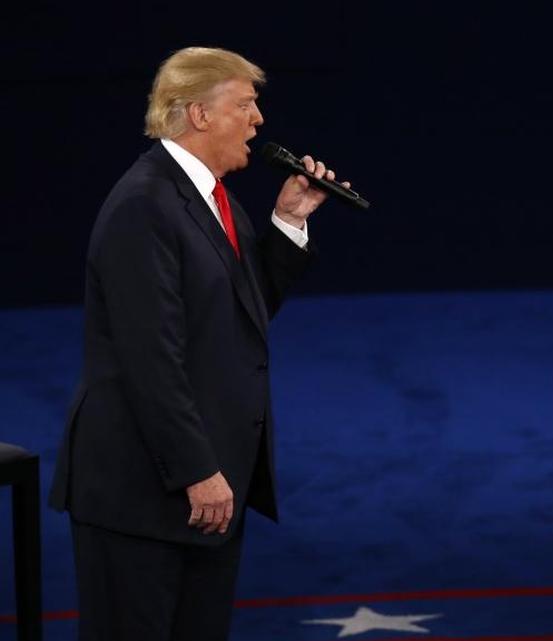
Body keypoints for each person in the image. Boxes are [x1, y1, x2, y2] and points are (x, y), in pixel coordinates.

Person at [48, 46, 349, 640]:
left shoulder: (211, 198)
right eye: (245, 104)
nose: (259, 120)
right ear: (199, 114)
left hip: (206, 487)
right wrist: (198, 470)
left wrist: (288, 221)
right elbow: (149, 356)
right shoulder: (144, 205)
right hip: (146, 492)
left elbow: (240, 313)